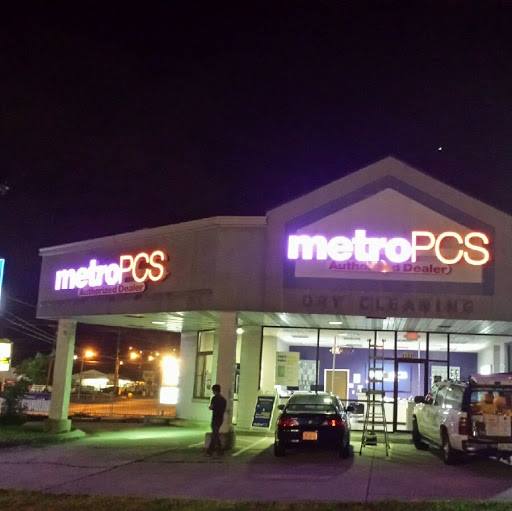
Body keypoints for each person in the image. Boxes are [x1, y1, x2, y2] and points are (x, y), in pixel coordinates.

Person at [207, 383, 227, 456]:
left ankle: (219, 450)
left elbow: (211, 407)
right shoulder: (223, 400)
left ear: (214, 391)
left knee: (215, 434)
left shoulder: (214, 398)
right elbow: (224, 409)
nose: (212, 392)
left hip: (215, 418)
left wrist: (210, 407)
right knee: (215, 433)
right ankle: (210, 450)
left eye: (213, 390)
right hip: (220, 418)